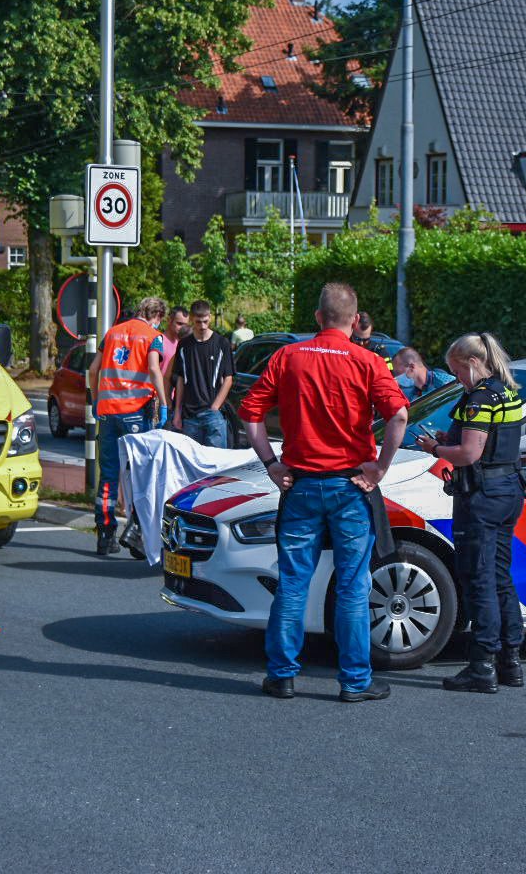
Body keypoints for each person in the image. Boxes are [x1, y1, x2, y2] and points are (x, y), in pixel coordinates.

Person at [239, 282, 409, 703]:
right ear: (355, 321)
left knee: (293, 582)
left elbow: (251, 414)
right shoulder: (368, 361)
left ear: (317, 317)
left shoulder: (288, 357)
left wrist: (270, 463)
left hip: (299, 483)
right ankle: (354, 681)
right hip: (350, 485)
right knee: (352, 584)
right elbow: (400, 415)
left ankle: (281, 675)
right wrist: (380, 467)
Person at [414, 331, 526, 693]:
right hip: (509, 488)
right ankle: (511, 662)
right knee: (501, 577)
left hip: (482, 496)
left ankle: (481, 666)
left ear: (474, 363)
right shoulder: (508, 392)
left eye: (459, 371)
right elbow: (492, 442)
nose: (457, 378)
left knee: (479, 580)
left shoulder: (479, 399)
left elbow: (470, 454)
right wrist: (453, 441)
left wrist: (435, 448)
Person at [88, 297, 171, 556]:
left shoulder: (111, 333)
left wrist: (96, 400)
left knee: (109, 476)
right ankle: (137, 533)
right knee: (140, 476)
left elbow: (93, 369)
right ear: (156, 315)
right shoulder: (152, 336)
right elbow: (155, 370)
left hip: (107, 413)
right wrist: (164, 404)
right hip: (136, 414)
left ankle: (105, 535)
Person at [171, 300, 234, 448]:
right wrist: (178, 412)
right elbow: (180, 379)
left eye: (205, 321)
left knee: (217, 465)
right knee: (192, 466)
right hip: (190, 415)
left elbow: (228, 378)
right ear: (192, 319)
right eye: (198, 322)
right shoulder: (184, 345)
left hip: (213, 414)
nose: (202, 326)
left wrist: (215, 407)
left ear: (210, 317)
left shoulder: (221, 343)